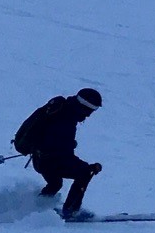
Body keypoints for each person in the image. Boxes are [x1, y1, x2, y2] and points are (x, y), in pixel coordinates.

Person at [13, 87, 104, 219]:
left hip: (41, 159)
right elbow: (57, 146)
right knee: (85, 171)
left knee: (55, 184)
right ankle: (71, 212)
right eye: (90, 110)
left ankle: (37, 208)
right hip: (49, 160)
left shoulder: (63, 112)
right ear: (83, 106)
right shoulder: (65, 117)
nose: (89, 115)